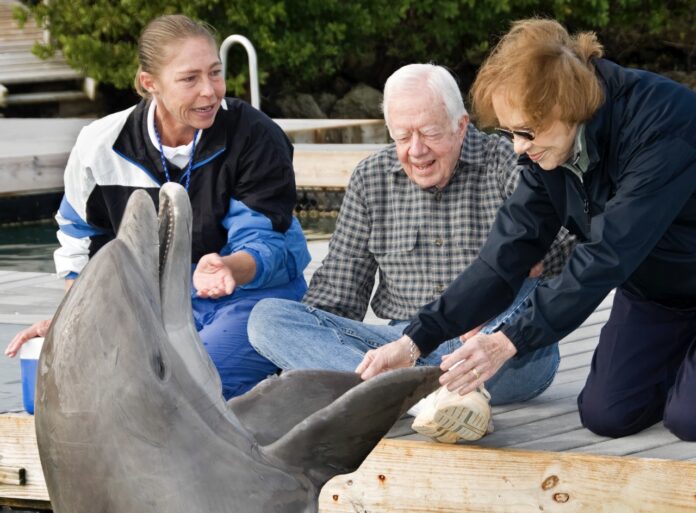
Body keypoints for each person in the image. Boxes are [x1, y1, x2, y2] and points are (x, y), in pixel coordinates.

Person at [357, 20, 696, 441]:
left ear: (568, 107)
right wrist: (414, 341)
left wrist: (507, 340)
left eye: (526, 132)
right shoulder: (546, 152)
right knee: (606, 414)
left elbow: (607, 254)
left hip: (664, 267)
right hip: (657, 294)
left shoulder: (664, 122)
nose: (518, 146)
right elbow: (501, 260)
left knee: (687, 420)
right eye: (508, 132)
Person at [248, 63, 574, 443]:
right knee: (267, 318)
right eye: (402, 136)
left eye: (430, 133)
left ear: (461, 125)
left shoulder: (507, 162)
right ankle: (427, 400)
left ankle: (394, 395)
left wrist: (526, 263)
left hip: (499, 347)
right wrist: (304, 347)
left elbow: (571, 247)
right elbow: (336, 297)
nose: (416, 150)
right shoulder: (371, 178)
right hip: (403, 347)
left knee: (530, 286)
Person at [4, 14, 310, 400]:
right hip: (150, 305)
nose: (210, 91)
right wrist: (75, 320)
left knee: (186, 390)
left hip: (249, 299)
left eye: (215, 73)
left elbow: (267, 241)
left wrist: (228, 267)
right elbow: (81, 243)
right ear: (150, 83)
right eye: (189, 78)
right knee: (84, 385)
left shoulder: (255, 135)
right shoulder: (100, 145)